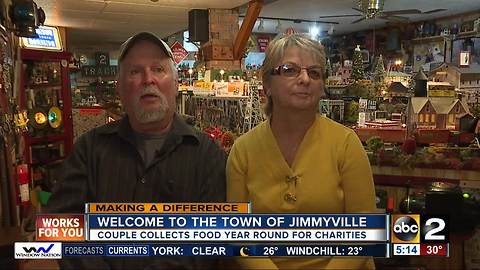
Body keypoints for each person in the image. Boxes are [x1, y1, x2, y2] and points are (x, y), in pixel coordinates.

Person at [46, 32, 226, 269]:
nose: (147, 79)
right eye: (135, 71)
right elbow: (61, 226)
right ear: (119, 88)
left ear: (176, 84)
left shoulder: (207, 155)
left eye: (158, 69)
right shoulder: (88, 150)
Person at [226, 34, 376, 269]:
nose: (305, 79)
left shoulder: (346, 144)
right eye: (290, 70)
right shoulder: (243, 151)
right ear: (267, 83)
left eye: (314, 72)